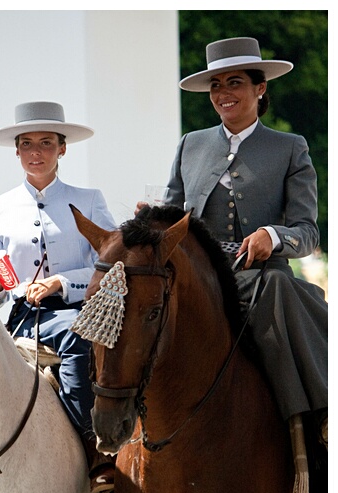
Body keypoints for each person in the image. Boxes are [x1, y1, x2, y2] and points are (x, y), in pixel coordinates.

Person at [137, 37, 327, 445]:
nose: (224, 94)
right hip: (202, 277)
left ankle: (318, 415)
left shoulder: (290, 148)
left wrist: (272, 236)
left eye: (235, 82)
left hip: (261, 280)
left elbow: (308, 233)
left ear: (260, 88)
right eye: (216, 85)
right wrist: (150, 221)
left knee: (280, 285)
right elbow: (172, 218)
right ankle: (116, 432)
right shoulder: (191, 144)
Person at [0, 101, 116, 493]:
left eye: (45, 143)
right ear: (17, 151)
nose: (35, 152)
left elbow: (109, 264)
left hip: (81, 309)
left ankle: (98, 442)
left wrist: (61, 282)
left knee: (83, 334)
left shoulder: (89, 199)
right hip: (25, 315)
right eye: (26, 144)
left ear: (62, 149)